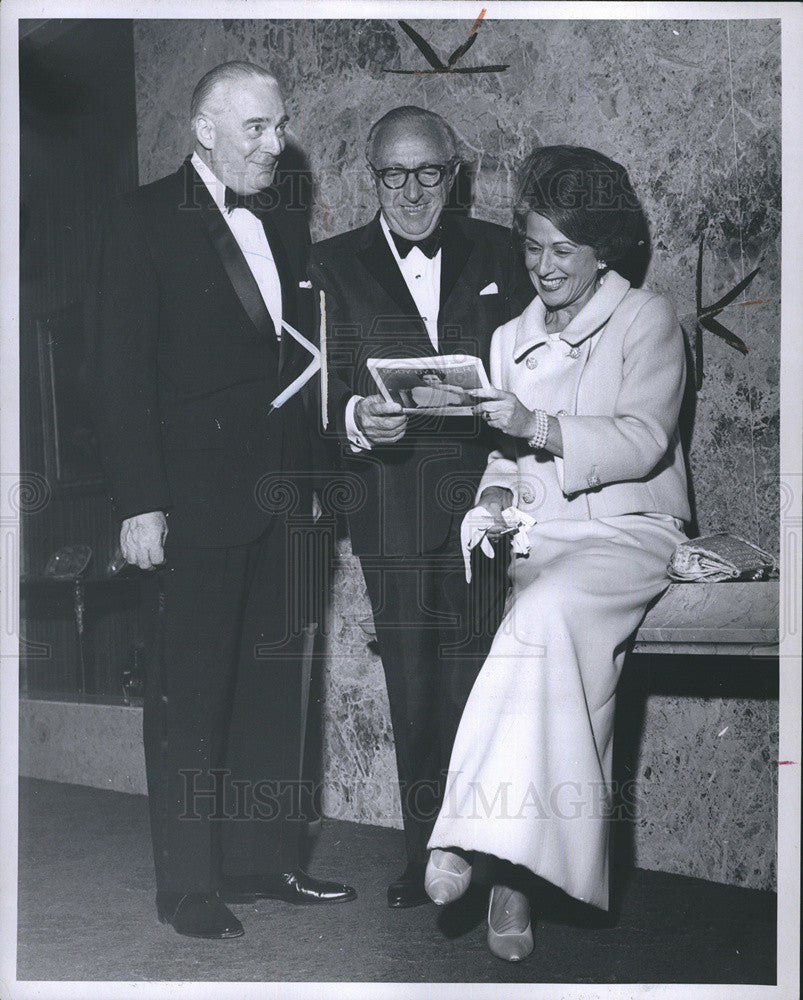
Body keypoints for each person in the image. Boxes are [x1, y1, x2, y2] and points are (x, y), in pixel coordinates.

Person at [86, 61, 355, 940]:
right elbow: (118, 373)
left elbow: (290, 361)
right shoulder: (138, 220)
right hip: (190, 499)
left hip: (282, 496)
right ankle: (188, 884)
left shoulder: (280, 218)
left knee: (273, 686)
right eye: (257, 128)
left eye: (279, 126)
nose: (276, 144)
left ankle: (262, 859)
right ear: (204, 129)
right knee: (192, 692)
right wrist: (139, 502)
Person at [424, 145, 691, 961]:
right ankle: (516, 881)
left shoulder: (647, 320)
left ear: (602, 248)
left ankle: (463, 838)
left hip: (629, 531)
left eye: (564, 250)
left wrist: (530, 427)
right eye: (532, 246)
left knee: (539, 616)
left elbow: (644, 440)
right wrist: (494, 501)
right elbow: (502, 463)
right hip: (544, 540)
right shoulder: (509, 338)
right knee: (567, 677)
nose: (544, 266)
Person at [308, 106, 529, 908]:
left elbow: (533, 367)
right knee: (413, 686)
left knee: (485, 684)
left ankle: (494, 862)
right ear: (373, 177)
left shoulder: (503, 250)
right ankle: (425, 855)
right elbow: (311, 380)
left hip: (487, 501)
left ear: (453, 173)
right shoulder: (328, 265)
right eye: (392, 175)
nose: (409, 192)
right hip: (389, 506)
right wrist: (353, 417)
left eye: (427, 172)